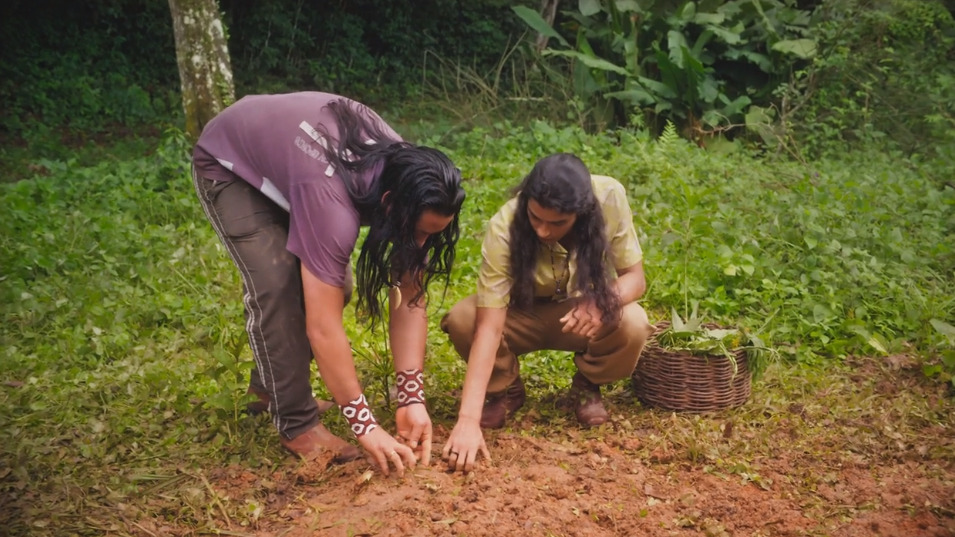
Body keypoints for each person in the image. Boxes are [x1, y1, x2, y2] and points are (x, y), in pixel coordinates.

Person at [191, 92, 466, 476]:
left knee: (335, 287)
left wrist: (411, 398)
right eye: (418, 233)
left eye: (432, 235)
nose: (420, 246)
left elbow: (410, 296)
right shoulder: (332, 201)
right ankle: (297, 423)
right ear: (388, 204)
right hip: (233, 162)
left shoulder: (412, 176)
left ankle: (270, 387)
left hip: (294, 164)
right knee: (281, 286)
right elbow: (322, 327)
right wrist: (365, 426)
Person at [439, 153, 652, 473]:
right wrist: (467, 421)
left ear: (581, 215)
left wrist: (601, 300)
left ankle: (587, 384)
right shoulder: (505, 225)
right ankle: (505, 390)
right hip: (519, 313)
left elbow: (635, 279)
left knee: (634, 322)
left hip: (579, 313)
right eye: (535, 217)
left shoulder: (609, 198)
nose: (541, 230)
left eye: (557, 223)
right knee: (463, 319)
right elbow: (489, 329)